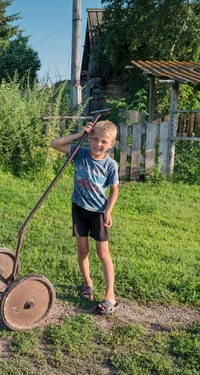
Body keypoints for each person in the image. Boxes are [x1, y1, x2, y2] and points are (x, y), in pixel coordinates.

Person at [50, 120, 120, 314]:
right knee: (82, 250)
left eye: (104, 142)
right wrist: (79, 134)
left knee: (103, 253)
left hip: (98, 212)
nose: (98, 144)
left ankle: (110, 295)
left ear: (111, 144)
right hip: (79, 208)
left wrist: (108, 210)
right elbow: (54, 144)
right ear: (89, 137)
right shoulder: (79, 153)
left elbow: (114, 191)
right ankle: (87, 284)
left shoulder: (110, 165)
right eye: (95, 139)